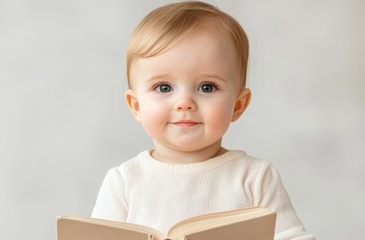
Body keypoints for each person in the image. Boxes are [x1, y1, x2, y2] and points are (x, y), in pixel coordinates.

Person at [90, 1, 315, 239]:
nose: (184, 102)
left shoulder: (255, 178)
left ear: (238, 105)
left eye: (207, 87)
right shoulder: (124, 182)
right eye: (164, 87)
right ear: (136, 106)